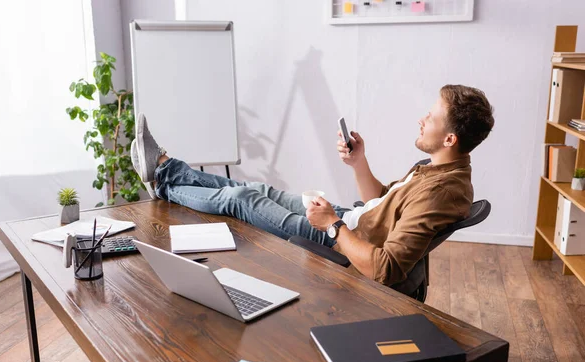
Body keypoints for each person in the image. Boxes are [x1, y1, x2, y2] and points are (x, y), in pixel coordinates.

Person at [131, 84, 494, 286]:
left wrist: (332, 226)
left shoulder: (443, 192)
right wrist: (359, 162)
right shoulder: (438, 170)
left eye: (431, 117)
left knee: (242, 200)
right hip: (352, 220)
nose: (422, 119)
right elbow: (384, 203)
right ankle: (165, 166)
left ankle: (163, 180)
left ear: (449, 139)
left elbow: (386, 268)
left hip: (342, 240)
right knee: (261, 190)